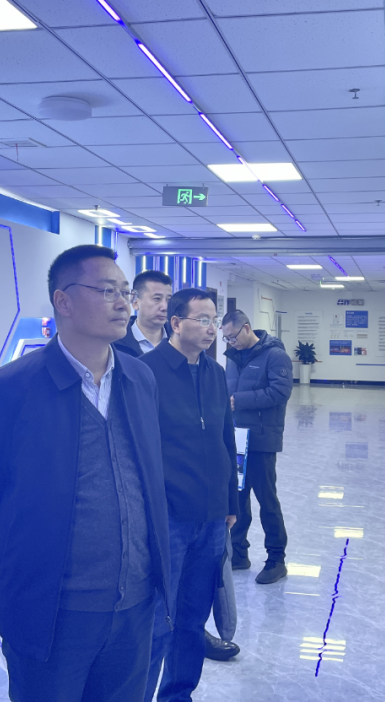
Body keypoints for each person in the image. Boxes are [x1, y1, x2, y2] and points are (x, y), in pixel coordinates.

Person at [0, 245, 172, 702]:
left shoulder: (139, 379)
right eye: (107, 291)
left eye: (125, 292)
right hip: (54, 610)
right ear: (64, 301)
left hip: (134, 606)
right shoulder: (8, 389)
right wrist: (33, 551)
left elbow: (147, 478)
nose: (123, 303)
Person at [140, 288, 239, 702]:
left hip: (212, 516)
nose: (211, 328)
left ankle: (178, 694)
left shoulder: (215, 372)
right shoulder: (145, 372)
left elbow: (225, 439)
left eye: (214, 320)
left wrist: (232, 502)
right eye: (202, 319)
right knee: (156, 618)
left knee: (193, 616)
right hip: (169, 516)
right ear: (176, 323)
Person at [220, 310, 293, 585]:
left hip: (262, 440)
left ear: (247, 328)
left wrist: (239, 400)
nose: (230, 342)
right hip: (237, 439)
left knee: (267, 501)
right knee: (237, 500)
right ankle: (239, 554)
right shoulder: (232, 358)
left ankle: (276, 560)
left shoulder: (275, 355)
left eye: (233, 336)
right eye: (226, 338)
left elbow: (280, 392)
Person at [112, 270, 172, 357]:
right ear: (135, 302)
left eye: (168, 300)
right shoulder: (115, 342)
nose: (164, 307)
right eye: (157, 299)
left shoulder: (180, 340)